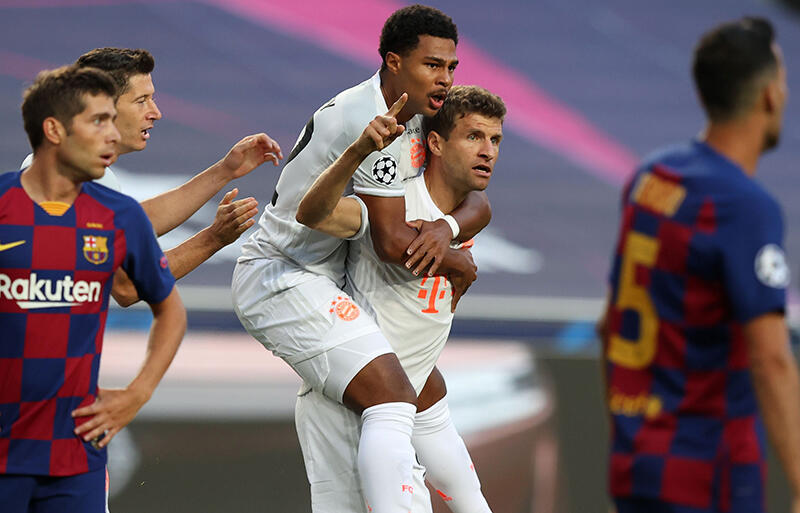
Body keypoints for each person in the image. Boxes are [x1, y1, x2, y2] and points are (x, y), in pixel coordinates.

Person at [232, 5, 489, 512]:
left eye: (450, 66)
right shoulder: (366, 119)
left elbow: (474, 191)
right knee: (394, 394)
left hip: (339, 278)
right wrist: (455, 261)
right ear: (394, 61)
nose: (445, 78)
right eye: (432, 65)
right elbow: (391, 244)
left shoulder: (422, 112)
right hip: (285, 275)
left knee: (420, 389)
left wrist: (448, 228)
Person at [597, 17, 800, 513]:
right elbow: (771, 359)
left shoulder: (652, 176)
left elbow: (608, 325)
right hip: (707, 475)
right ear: (770, 95)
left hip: (636, 465)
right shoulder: (744, 206)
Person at [295, 85, 506, 513]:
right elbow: (315, 213)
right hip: (356, 402)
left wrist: (446, 231)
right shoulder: (391, 207)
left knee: (472, 499)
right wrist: (354, 155)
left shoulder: (467, 211)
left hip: (418, 382)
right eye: (473, 136)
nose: (487, 151)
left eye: (495, 139)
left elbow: (480, 207)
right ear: (435, 143)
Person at [0, 65, 186, 512]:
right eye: (98, 121)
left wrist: (138, 393)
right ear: (54, 130)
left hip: (76, 457)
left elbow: (170, 309)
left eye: (112, 121)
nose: (112, 135)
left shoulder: (120, 215)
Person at [21, 47, 283, 305]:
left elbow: (134, 223)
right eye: (141, 100)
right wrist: (212, 238)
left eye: (152, 98)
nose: (155, 113)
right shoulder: (64, 178)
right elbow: (127, 286)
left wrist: (225, 171)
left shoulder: (69, 170)